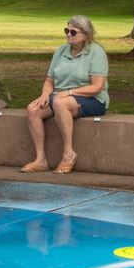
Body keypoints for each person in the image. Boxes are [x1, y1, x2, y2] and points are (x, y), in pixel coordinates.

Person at [20, 14, 109, 174]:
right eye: (66, 30)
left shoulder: (97, 52)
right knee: (33, 109)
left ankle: (69, 154)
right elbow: (49, 81)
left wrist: (69, 92)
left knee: (60, 103)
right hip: (61, 97)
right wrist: (45, 95)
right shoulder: (60, 51)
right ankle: (41, 160)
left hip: (92, 99)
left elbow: (97, 87)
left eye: (73, 32)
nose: (68, 34)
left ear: (85, 35)